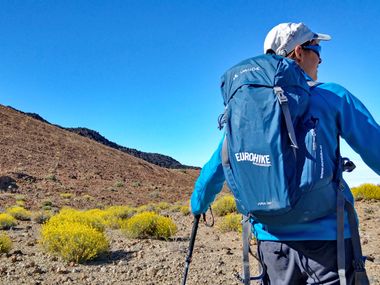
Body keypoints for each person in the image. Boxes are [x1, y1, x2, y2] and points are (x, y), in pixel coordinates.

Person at [190, 22, 380, 285]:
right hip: (329, 243)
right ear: (299, 52)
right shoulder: (332, 96)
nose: (321, 58)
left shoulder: (250, 117)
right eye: (317, 48)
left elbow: (217, 166)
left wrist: (198, 204)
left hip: (272, 246)